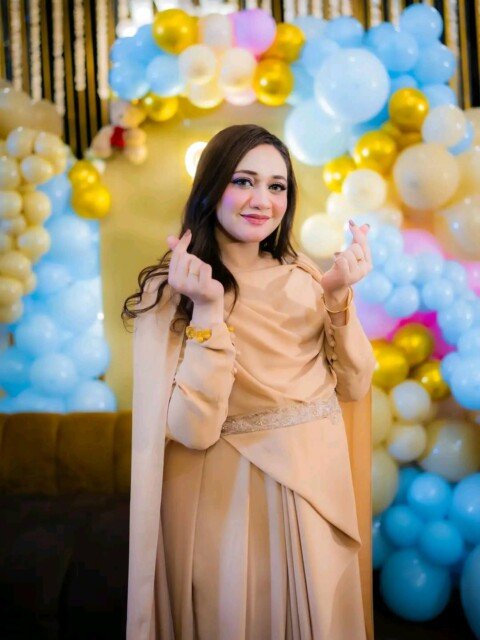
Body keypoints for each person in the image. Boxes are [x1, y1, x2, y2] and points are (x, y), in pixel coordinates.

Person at [122, 124, 376, 640]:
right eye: (243, 181)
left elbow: (353, 387)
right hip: (232, 502)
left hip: (318, 492)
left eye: (277, 186)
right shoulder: (173, 291)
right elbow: (193, 430)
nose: (262, 200)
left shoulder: (304, 276)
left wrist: (337, 298)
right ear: (211, 187)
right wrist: (208, 311)